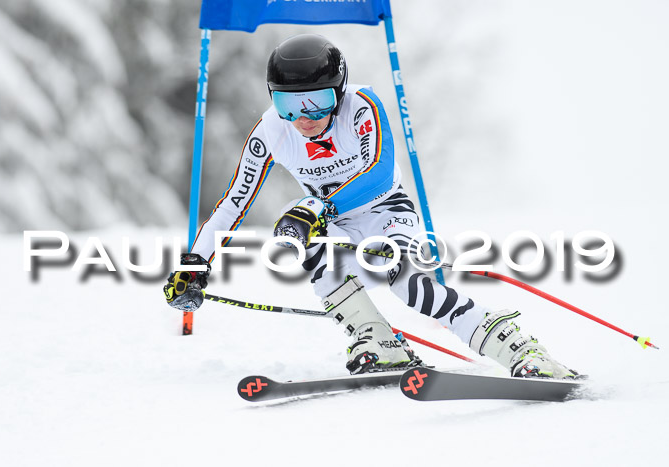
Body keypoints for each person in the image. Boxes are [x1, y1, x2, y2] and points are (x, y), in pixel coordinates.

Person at [164, 34, 580, 379]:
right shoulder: (271, 130)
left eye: (317, 101)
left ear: (340, 90)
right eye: (289, 104)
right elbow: (235, 201)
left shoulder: (363, 107)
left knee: (409, 286)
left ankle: (520, 350)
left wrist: (319, 208)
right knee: (298, 233)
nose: (304, 118)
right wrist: (195, 264)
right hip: (333, 219)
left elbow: (379, 173)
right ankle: (378, 341)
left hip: (387, 209)